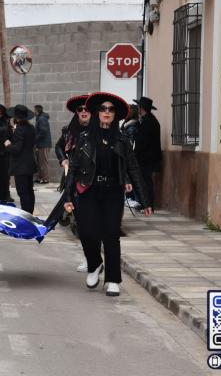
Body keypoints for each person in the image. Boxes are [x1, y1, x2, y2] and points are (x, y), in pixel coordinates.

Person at [63, 92, 153, 297]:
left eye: (111, 109)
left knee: (111, 234)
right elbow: (74, 169)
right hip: (88, 190)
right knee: (86, 232)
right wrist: (68, 197)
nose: (106, 112)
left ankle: (113, 279)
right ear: (97, 113)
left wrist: (145, 199)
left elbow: (134, 169)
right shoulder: (85, 138)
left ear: (115, 115)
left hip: (113, 192)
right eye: (103, 109)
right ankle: (94, 264)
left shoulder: (122, 140)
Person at [55, 95, 91, 272]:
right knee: (79, 223)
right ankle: (88, 258)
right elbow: (58, 147)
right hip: (74, 179)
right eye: (80, 110)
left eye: (86, 109)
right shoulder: (69, 130)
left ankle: (96, 259)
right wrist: (63, 160)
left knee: (96, 224)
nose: (83, 112)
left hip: (93, 182)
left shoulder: (99, 130)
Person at [4, 105, 36, 214]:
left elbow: (17, 149)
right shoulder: (31, 128)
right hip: (29, 163)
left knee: (23, 192)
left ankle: (26, 214)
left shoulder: (20, 130)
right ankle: (30, 213)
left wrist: (8, 145)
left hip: (21, 166)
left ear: (16, 117)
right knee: (29, 190)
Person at [133, 96, 162, 209]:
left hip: (146, 158)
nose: (137, 109)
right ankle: (145, 203)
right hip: (147, 158)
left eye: (138, 107)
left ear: (142, 108)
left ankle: (147, 204)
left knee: (146, 182)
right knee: (144, 181)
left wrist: (134, 154)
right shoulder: (149, 120)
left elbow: (142, 142)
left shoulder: (148, 122)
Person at [34, 104, 52, 184]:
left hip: (44, 144)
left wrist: (35, 139)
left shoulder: (42, 119)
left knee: (44, 162)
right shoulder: (40, 118)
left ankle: (45, 179)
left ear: (37, 111)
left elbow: (43, 131)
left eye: (34, 110)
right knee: (40, 162)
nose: (34, 112)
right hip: (41, 144)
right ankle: (40, 177)